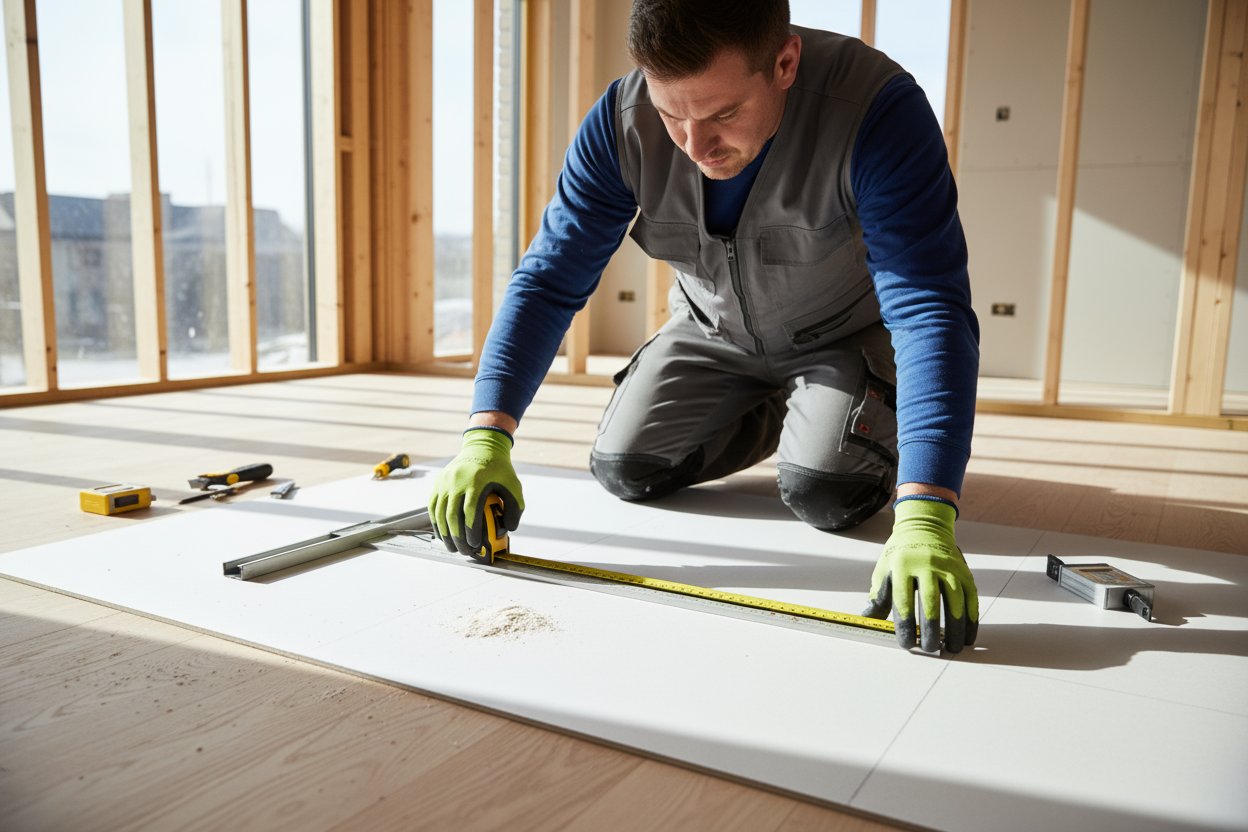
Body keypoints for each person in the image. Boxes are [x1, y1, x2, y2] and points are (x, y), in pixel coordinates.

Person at [428, 0, 980, 654]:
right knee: (625, 467)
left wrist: (925, 516)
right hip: (711, 335)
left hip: (843, 339)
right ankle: (784, 412)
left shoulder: (878, 112)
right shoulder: (619, 123)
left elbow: (927, 304)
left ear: (784, 63)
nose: (695, 147)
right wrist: (485, 436)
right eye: (671, 115)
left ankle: (830, 414)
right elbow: (549, 279)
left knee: (828, 491)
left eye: (722, 114)